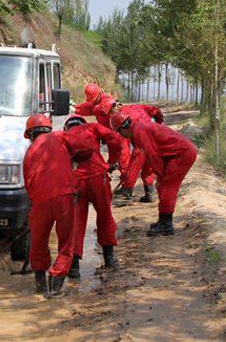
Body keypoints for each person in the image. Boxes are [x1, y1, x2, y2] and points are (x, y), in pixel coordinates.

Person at [23, 114, 94, 297]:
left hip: (39, 201)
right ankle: (55, 287)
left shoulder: (28, 154)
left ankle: (40, 285)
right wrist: (73, 156)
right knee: (66, 242)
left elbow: (28, 185)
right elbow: (87, 147)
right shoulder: (60, 136)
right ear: (48, 128)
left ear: (30, 135)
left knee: (38, 243)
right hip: (65, 196)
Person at [110, 113, 197, 236]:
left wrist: (160, 175)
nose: (121, 135)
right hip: (174, 154)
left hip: (181, 154)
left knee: (167, 188)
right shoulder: (138, 128)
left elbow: (152, 155)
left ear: (123, 129)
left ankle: (166, 226)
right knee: (163, 186)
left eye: (119, 132)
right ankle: (163, 221)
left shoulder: (140, 131)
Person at [63, 115, 123, 276]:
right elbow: (116, 139)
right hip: (98, 177)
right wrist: (111, 161)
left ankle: (74, 267)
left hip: (76, 181)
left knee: (76, 221)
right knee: (105, 217)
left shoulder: (64, 137)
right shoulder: (93, 128)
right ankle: (109, 259)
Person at [100, 99, 164, 204]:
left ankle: (126, 196)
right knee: (147, 167)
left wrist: (114, 164)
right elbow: (155, 110)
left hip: (142, 142)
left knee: (133, 168)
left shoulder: (122, 119)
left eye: (110, 114)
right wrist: (159, 123)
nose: (110, 117)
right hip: (153, 138)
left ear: (114, 107)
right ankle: (149, 194)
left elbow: (123, 149)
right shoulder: (135, 107)